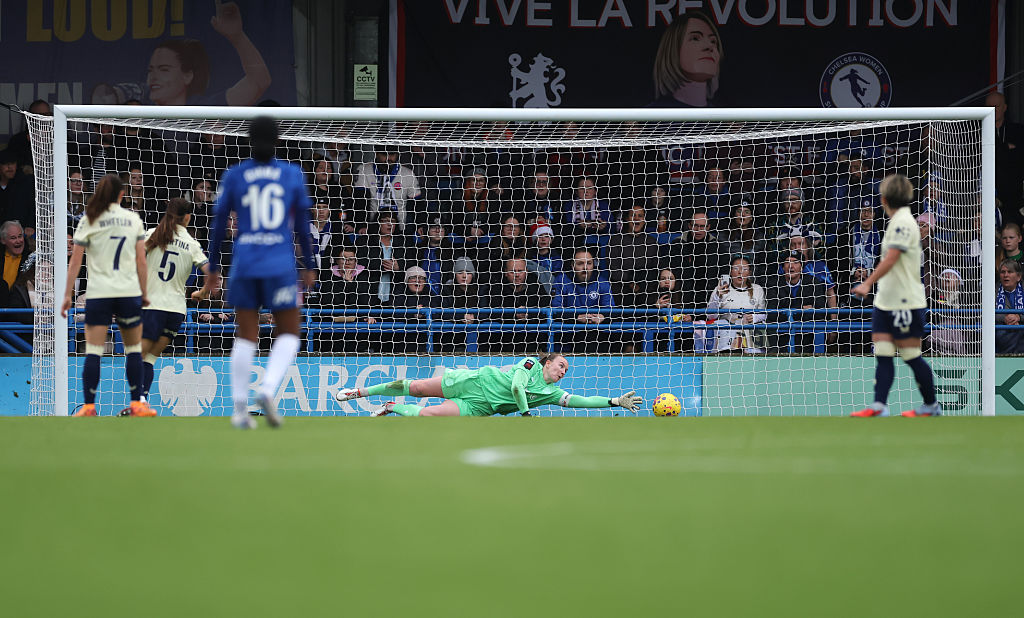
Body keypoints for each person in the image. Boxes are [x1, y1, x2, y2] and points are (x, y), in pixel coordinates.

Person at [198, 116, 315, 429]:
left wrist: (213, 266)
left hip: (245, 261)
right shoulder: (291, 173)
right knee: (289, 332)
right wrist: (310, 266)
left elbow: (218, 223)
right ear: (278, 139)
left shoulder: (235, 175)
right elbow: (303, 226)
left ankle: (239, 409)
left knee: (246, 335)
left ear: (249, 140)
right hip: (278, 263)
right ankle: (266, 389)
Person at [60, 174, 152, 417]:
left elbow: (75, 262)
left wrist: (68, 295)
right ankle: (137, 404)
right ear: (122, 195)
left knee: (93, 350)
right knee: (133, 349)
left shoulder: (88, 219)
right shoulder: (132, 219)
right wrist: (144, 292)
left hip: (99, 293)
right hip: (128, 291)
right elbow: (141, 261)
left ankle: (89, 406)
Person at [851, 174, 940, 417]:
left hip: (904, 301)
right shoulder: (897, 222)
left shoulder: (903, 223)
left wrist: (867, 282)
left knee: (910, 354)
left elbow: (892, 257)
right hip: (886, 301)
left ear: (884, 199)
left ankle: (931, 405)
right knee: (882, 351)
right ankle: (879, 406)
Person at [336, 353, 641, 418]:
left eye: (566, 370)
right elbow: (518, 389)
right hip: (471, 382)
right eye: (561, 364)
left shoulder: (553, 393)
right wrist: (524, 413)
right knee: (415, 387)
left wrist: (614, 402)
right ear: (548, 362)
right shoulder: (530, 364)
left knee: (427, 417)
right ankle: (359, 392)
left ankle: (391, 407)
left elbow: (581, 401)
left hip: (478, 406)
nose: (564, 371)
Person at [140, 198, 212, 405]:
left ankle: (139, 402)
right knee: (149, 358)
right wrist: (202, 293)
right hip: (176, 312)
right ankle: (142, 402)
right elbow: (213, 274)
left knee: (137, 356)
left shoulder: (151, 235)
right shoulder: (192, 244)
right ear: (188, 217)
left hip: (152, 306)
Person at [146, 2, 270, 106]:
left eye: (164, 69)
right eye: (150, 70)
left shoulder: (205, 109)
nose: (153, 77)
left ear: (188, 76)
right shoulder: (137, 109)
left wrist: (237, 37)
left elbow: (258, 82)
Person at [650, 12, 722, 107]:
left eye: (713, 41)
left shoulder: (724, 119)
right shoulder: (649, 117)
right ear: (673, 48)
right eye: (695, 38)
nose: (710, 46)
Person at [767, 251, 828, 353]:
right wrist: (802, 309)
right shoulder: (774, 283)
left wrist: (787, 308)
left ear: (802, 267)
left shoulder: (813, 282)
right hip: (781, 336)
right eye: (787, 262)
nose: (791, 266)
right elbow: (772, 313)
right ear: (782, 267)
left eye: (795, 262)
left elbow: (820, 312)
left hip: (807, 336)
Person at [706, 254, 767, 353]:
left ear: (750, 272)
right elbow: (710, 316)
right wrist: (718, 296)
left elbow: (764, 314)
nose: (740, 272)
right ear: (730, 271)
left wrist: (755, 317)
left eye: (744, 269)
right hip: (727, 336)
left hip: (750, 333)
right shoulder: (721, 289)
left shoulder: (757, 289)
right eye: (736, 268)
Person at [995, 259, 1024, 354]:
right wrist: (1005, 318)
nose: (1005, 275)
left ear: (1018, 277)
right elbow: (986, 312)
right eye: (1003, 272)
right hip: (1001, 328)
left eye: (1010, 272)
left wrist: (1019, 317)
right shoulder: (992, 290)